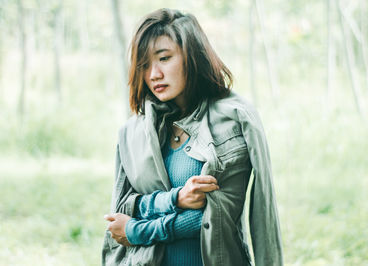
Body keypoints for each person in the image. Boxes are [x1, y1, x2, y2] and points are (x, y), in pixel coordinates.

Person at [102, 8, 283, 266]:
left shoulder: (232, 121)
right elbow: (119, 216)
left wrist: (137, 230)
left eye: (164, 58)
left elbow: (215, 218)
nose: (153, 74)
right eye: (144, 65)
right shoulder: (132, 133)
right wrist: (175, 199)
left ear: (192, 56)